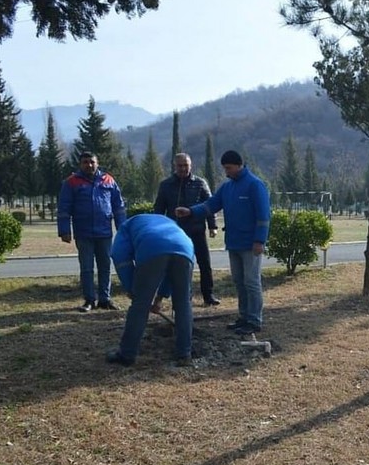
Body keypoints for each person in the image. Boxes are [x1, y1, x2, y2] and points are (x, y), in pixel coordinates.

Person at [175, 150, 270, 336]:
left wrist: (260, 240)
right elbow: (211, 205)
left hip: (250, 244)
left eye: (229, 168)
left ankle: (254, 320)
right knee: (239, 282)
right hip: (234, 243)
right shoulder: (228, 187)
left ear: (239, 165)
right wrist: (190, 211)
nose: (226, 172)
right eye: (225, 168)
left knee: (251, 282)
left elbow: (264, 216)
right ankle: (244, 317)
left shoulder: (255, 185)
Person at [106, 214, 195, 366]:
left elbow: (119, 256)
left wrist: (132, 288)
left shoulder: (126, 226)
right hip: (185, 248)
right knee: (183, 304)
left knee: (140, 306)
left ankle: (127, 354)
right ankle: (184, 354)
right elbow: (170, 272)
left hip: (151, 247)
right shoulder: (169, 222)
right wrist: (160, 297)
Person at [57, 151, 127, 312]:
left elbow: (118, 206)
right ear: (80, 164)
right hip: (83, 233)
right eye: (85, 162)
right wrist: (64, 230)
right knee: (87, 268)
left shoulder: (108, 180)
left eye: (92, 162)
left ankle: (105, 299)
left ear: (97, 163)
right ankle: (89, 300)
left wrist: (122, 228)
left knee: (105, 267)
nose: (89, 165)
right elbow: (64, 208)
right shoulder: (71, 182)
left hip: (104, 233)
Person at [153, 152, 221, 306]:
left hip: (197, 230)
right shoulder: (165, 185)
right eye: (180, 165)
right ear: (174, 166)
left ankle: (208, 295)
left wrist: (213, 226)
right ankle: (185, 295)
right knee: (181, 265)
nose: (183, 168)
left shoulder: (200, 183)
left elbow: (210, 205)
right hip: (175, 233)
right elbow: (159, 209)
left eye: (186, 165)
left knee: (205, 264)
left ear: (191, 166)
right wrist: (158, 230)